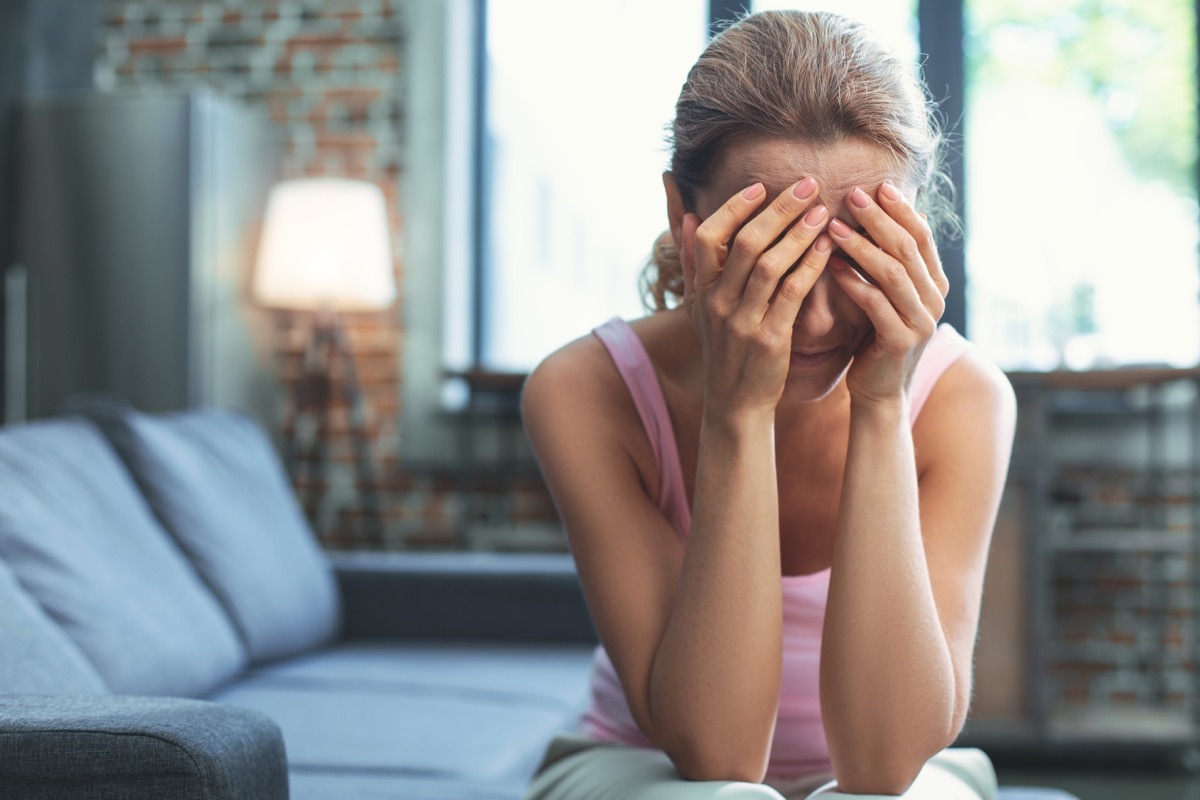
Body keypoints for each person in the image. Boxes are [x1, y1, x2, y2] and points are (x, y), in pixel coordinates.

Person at [519, 9, 1016, 799]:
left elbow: (884, 768)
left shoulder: (964, 396)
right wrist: (737, 412)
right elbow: (715, 756)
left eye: (859, 256)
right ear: (684, 217)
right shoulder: (586, 390)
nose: (814, 322)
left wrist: (883, 405)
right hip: (641, 767)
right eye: (774, 257)